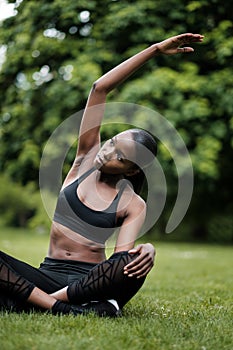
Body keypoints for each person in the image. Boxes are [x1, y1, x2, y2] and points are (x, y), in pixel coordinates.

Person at [0, 33, 204, 317]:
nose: (106, 153)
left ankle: (33, 301)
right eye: (111, 142)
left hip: (89, 282)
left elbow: (121, 261)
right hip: (47, 274)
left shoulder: (133, 204)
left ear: (132, 170)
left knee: (133, 258)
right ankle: (63, 308)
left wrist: (148, 250)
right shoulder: (83, 159)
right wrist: (155, 49)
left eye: (119, 157)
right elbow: (99, 88)